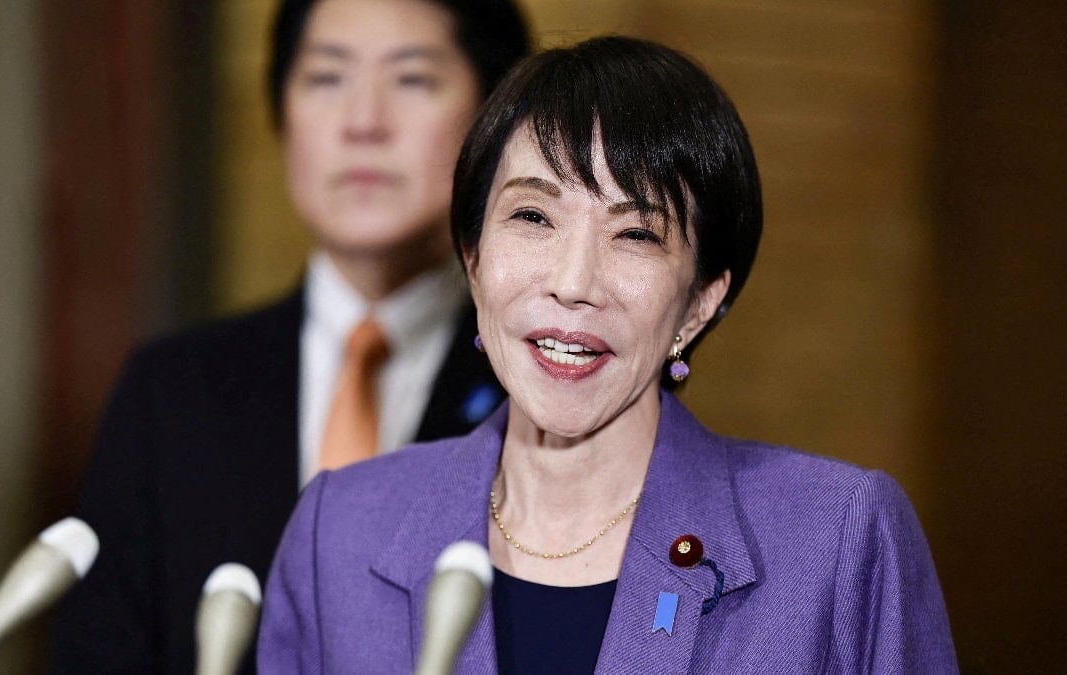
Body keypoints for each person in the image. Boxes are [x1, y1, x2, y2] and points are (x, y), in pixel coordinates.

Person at [258, 36, 957, 673]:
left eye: (637, 235)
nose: (573, 283)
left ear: (700, 300)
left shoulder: (836, 540)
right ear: (472, 257)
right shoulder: (339, 533)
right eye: (533, 217)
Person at [49, 1, 529, 672]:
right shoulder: (171, 392)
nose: (364, 122)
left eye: (413, 78)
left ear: (496, 125)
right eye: (327, 77)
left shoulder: (543, 391)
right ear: (281, 116)